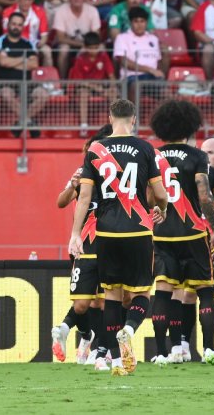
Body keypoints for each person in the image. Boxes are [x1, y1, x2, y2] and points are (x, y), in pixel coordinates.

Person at [69, 98, 167, 375]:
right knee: (141, 293)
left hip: (106, 231)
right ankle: (129, 328)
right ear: (134, 119)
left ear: (110, 118)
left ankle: (113, 357)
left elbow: (85, 195)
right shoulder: (145, 148)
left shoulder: (96, 149)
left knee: (111, 294)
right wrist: (163, 209)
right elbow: (160, 193)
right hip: (138, 228)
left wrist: (75, 233)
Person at [147, 99, 214, 366]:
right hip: (192, 233)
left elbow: (148, 196)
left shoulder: (153, 156)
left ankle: (161, 352)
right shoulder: (198, 156)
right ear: (190, 127)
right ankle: (211, 349)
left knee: (164, 292)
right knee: (204, 291)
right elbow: (204, 196)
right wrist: (213, 230)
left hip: (162, 234)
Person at [51, 124, 111, 365]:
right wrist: (74, 186)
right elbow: (60, 202)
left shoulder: (115, 174)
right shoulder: (81, 172)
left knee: (102, 300)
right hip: (83, 244)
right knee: (84, 301)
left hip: (109, 243)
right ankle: (86, 336)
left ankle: (99, 348)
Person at [0, 12, 50, 132]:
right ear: (8, 24)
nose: (16, 27)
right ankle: (29, 122)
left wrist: (11, 62)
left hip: (26, 82)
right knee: (6, 94)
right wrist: (24, 59)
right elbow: (3, 62)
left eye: (19, 25)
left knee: (43, 94)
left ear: (23, 26)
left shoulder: (28, 43)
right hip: (6, 82)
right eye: (13, 24)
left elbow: (34, 64)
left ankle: (22, 122)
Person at [66, 32, 116, 133]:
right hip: (85, 87)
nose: (94, 50)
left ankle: (115, 125)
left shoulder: (104, 56)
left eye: (96, 47)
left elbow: (111, 76)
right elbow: (79, 82)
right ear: (85, 47)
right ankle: (84, 126)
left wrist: (112, 87)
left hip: (100, 86)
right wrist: (97, 88)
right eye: (91, 48)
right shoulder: (80, 59)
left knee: (113, 93)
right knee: (83, 93)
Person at [52, 0, 102, 78]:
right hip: (70, 44)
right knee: (63, 49)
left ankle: (94, 80)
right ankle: (62, 82)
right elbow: (61, 38)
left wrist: (87, 46)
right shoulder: (61, 11)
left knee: (102, 47)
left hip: (88, 44)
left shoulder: (92, 10)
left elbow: (96, 35)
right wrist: (82, 45)